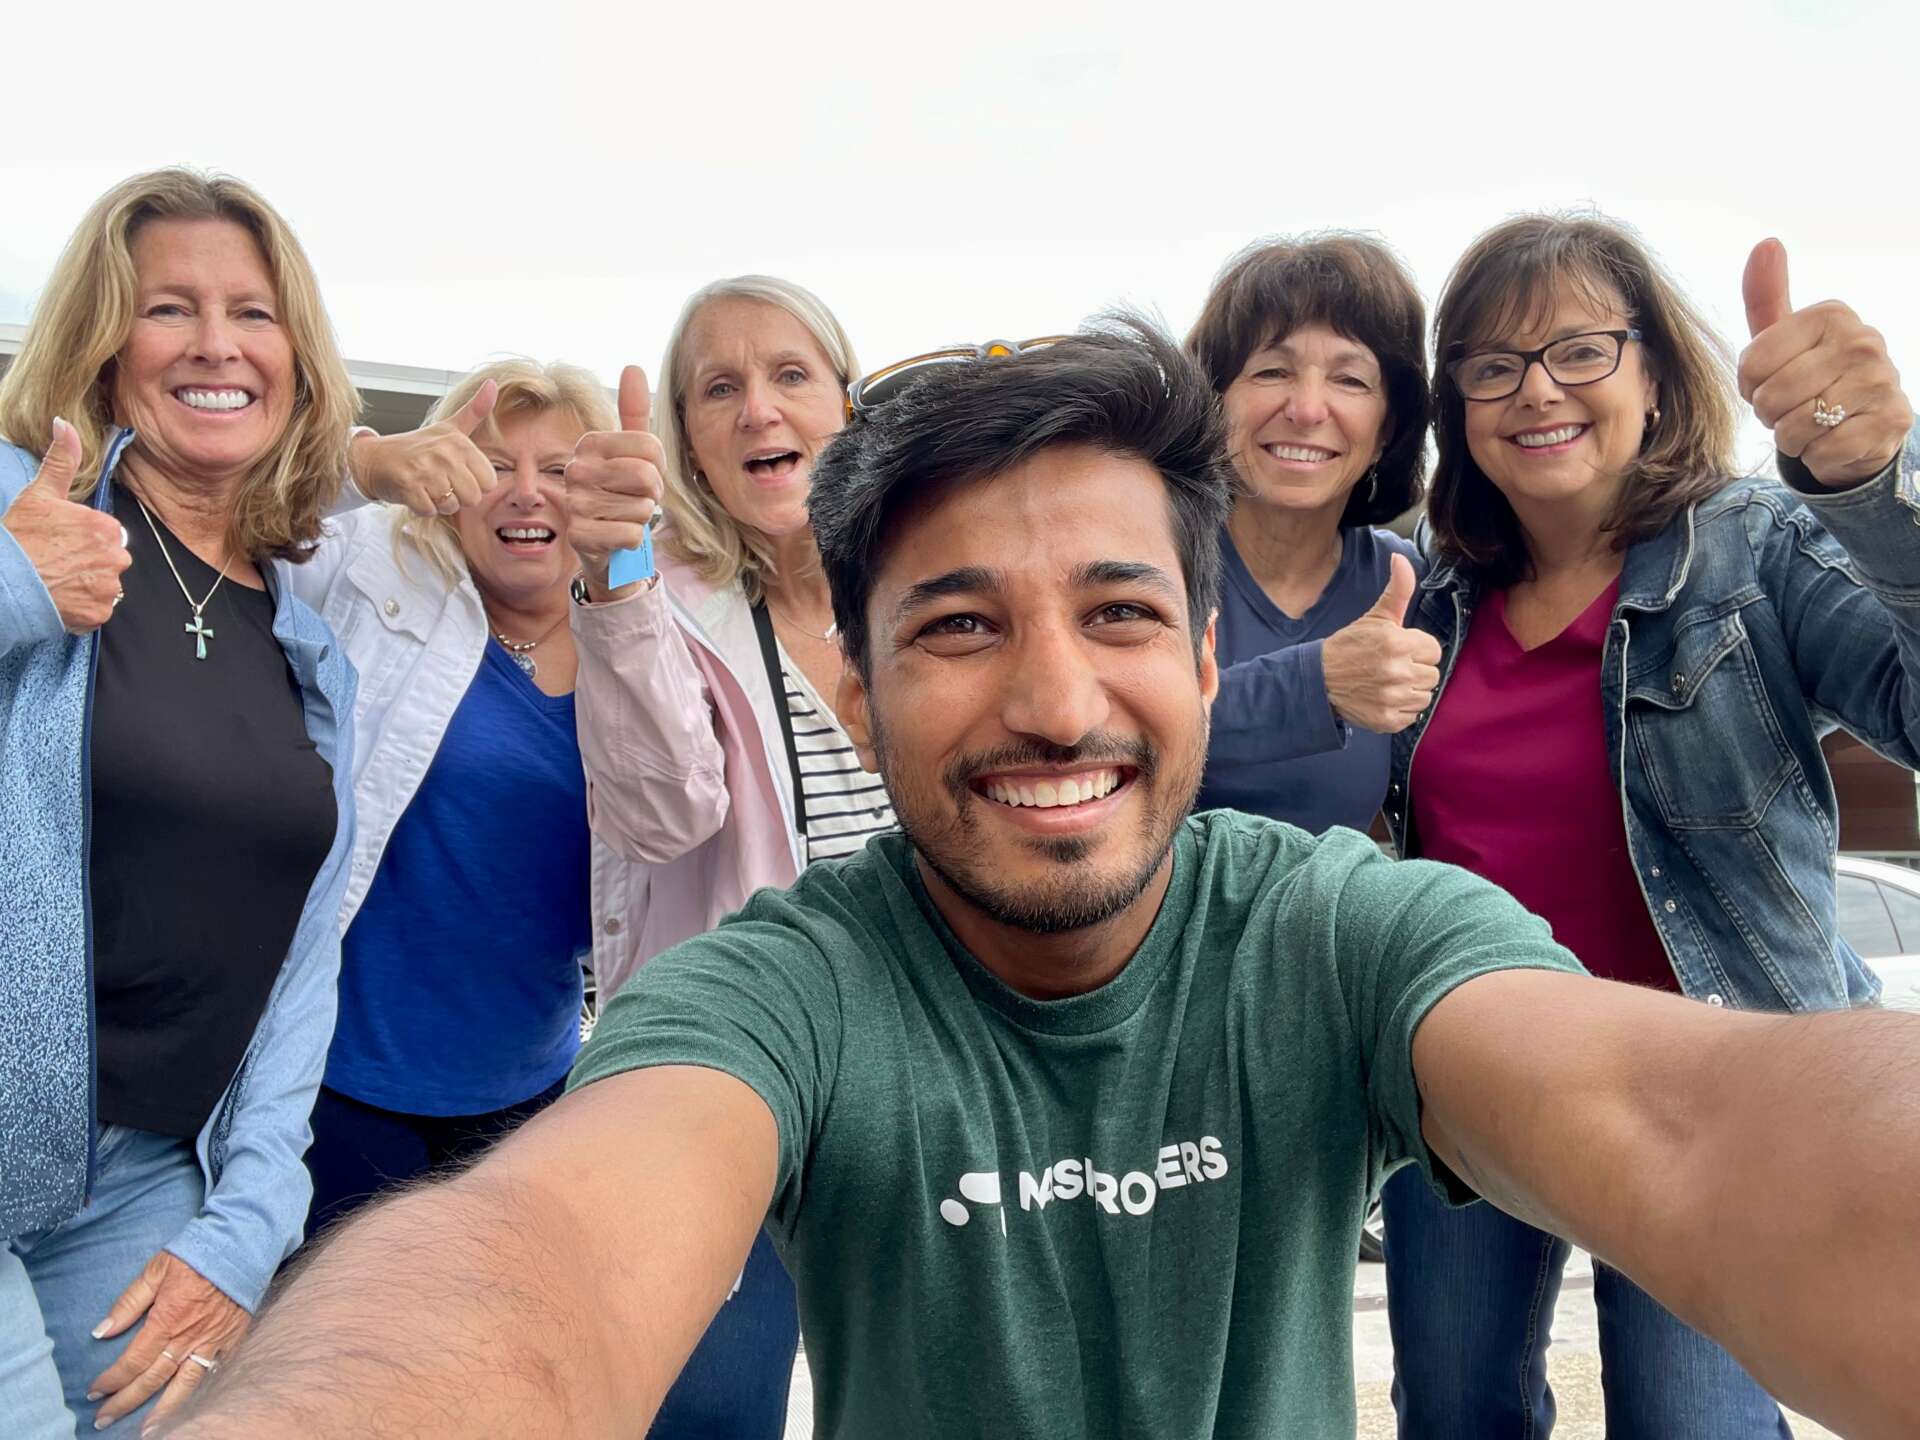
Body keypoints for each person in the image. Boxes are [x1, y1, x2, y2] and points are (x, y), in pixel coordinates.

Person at [160, 322, 1920, 1440]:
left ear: (1210, 662)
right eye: (958, 627)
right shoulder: (782, 991)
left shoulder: (1337, 933)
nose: (1058, 701)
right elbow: (529, 1261)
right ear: (860, 688)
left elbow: (1688, 1120)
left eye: (1121, 611)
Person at [1378, 214, 1920, 1439]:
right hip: (1470, 1071)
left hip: (1703, 1087)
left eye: (1580, 349)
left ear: (1657, 374)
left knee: (1693, 1425)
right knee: (1454, 1414)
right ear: (1458, 405)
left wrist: (1879, 486)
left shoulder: (1754, 544)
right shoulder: (1426, 588)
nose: (1536, 391)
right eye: (1493, 365)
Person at [0, 168, 365, 1437]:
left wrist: (248, 1225)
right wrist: (13, 581)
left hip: (148, 1176)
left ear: (297, 362)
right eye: (169, 308)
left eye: (253, 313)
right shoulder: (19, 504)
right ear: (105, 345)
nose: (217, 344)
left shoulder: (310, 647)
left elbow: (301, 965)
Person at [552, 275, 889, 1435]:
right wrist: (617, 578)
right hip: (744, 1082)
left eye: (791, 375)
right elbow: (663, 813)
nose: (759, 410)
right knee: (710, 1412)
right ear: (686, 440)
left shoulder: (925, 581)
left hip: (923, 1077)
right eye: (719, 388)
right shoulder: (661, 599)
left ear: (847, 401)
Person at [285, 359, 726, 1242]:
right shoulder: (371, 569)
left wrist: (621, 585)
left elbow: (674, 819)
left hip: (531, 1091)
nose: (526, 492)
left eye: (560, 470)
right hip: (337, 1079)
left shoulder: (653, 627)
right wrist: (360, 461)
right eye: (492, 465)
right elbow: (233, 514)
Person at [1187, 235, 1442, 832]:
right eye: (1272, 371)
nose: (1306, 409)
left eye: (1349, 380)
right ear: (1215, 400)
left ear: (1387, 428)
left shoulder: (1405, 582)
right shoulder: (1148, 559)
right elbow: (1103, 730)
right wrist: (1316, 683)